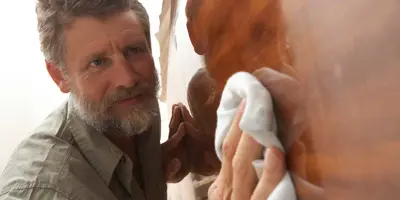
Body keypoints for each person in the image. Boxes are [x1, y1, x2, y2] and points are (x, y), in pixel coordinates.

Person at [0, 0, 293, 199]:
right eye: (98, 62)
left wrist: (155, 166)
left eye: (134, 50)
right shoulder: (44, 191)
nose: (127, 78)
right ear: (59, 76)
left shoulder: (133, 113)